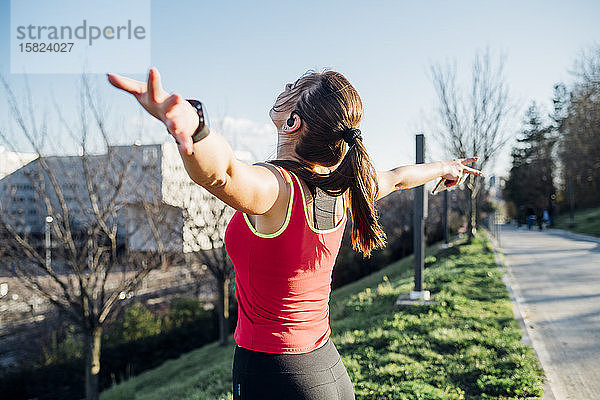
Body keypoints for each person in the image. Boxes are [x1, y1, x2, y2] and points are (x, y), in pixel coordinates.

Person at [107, 67, 482, 400]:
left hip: (275, 375)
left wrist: (196, 128)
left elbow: (223, 174)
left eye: (296, 87)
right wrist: (445, 167)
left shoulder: (278, 187)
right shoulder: (345, 185)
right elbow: (399, 178)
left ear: (292, 124)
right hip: (327, 370)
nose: (286, 84)